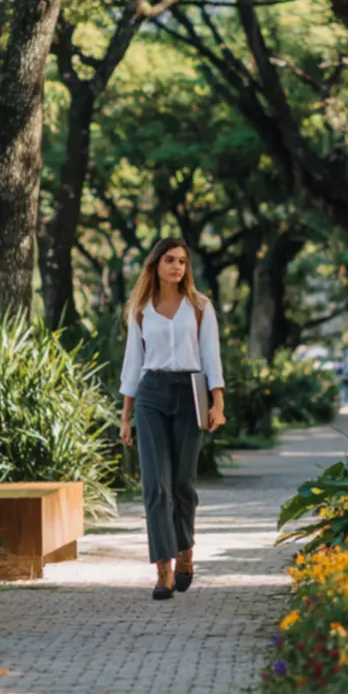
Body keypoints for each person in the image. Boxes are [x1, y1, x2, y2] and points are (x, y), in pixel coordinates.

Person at [119, 237, 227, 601]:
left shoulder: (199, 307)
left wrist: (218, 403)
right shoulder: (140, 309)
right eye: (170, 260)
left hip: (190, 391)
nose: (177, 266)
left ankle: (185, 551)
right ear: (156, 264)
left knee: (182, 484)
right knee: (155, 485)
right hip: (151, 394)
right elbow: (132, 363)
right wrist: (125, 416)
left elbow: (211, 357)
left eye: (182, 261)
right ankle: (163, 569)